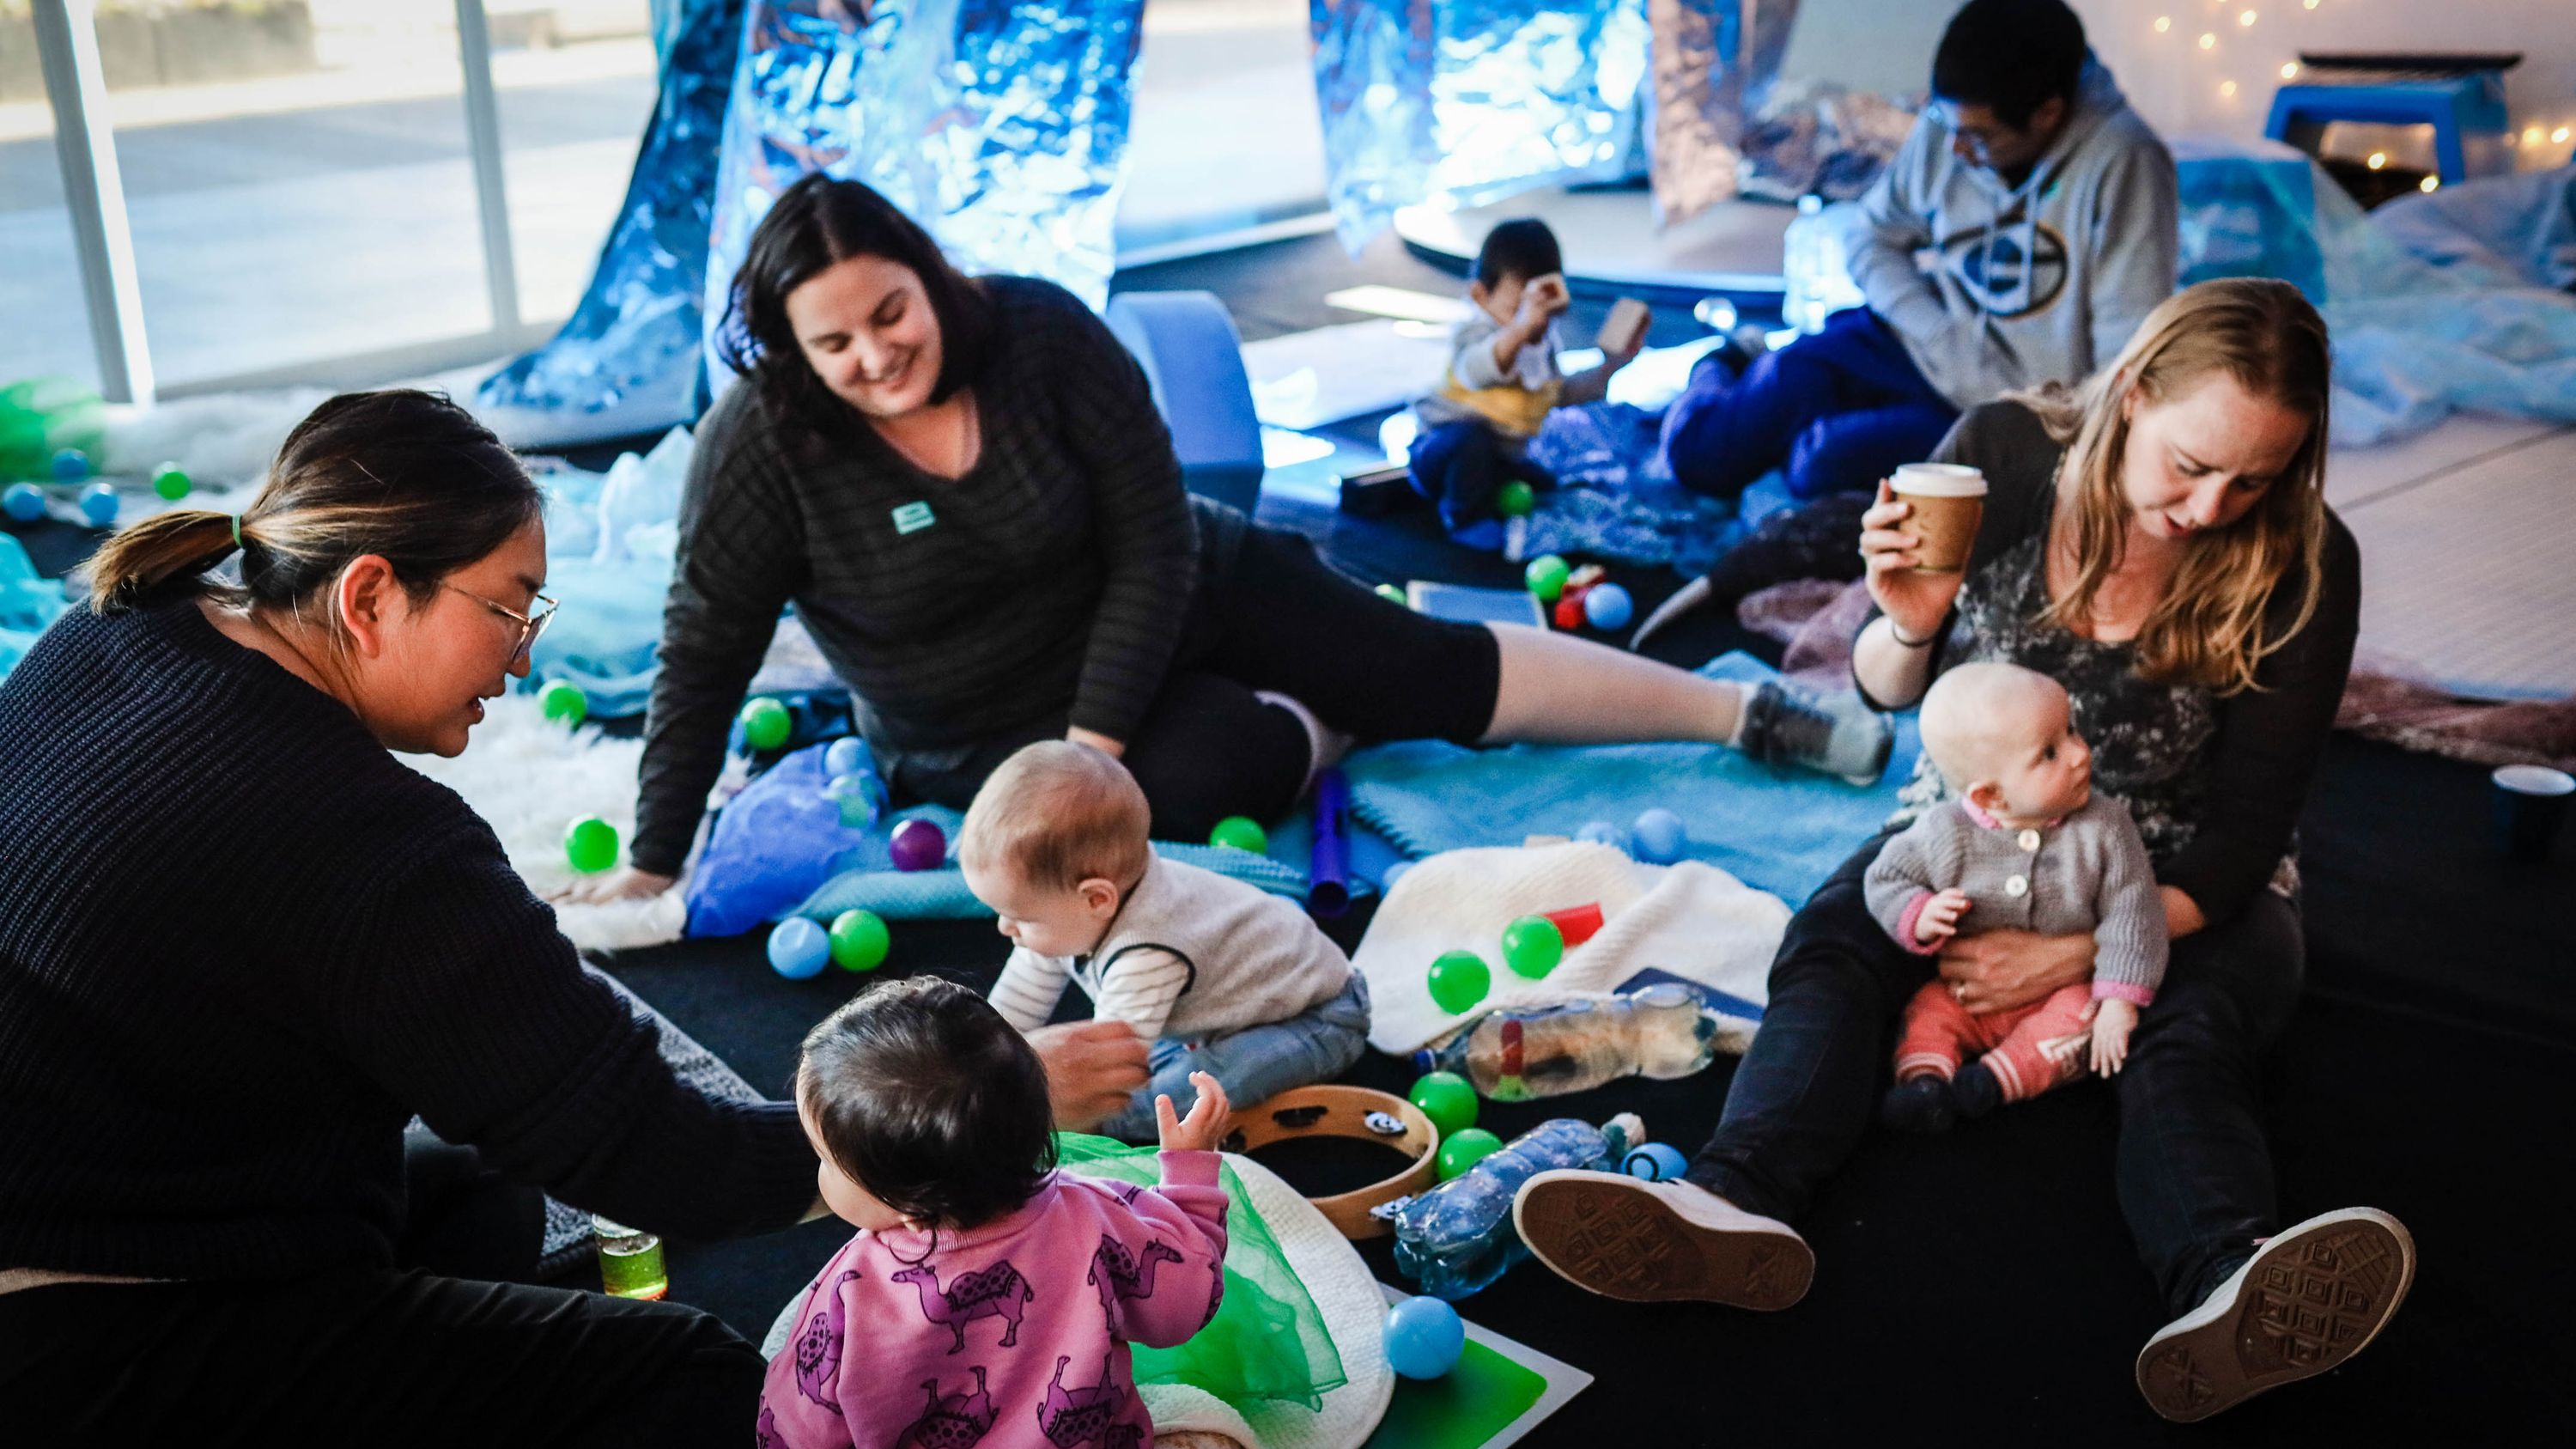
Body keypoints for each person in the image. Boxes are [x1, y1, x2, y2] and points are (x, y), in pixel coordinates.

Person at [1511, 280, 2417, 1424]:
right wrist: (1903, 614)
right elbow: (1892, 696)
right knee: (1835, 942)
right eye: (2192, 465)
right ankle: (1729, 1199)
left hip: (2177, 871)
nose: (2211, 504)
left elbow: (2245, 835)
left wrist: (2082, 955)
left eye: (2255, 478)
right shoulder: (1998, 455)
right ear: (2131, 394)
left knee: (2189, 1031)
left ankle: (2227, 1280)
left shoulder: (2304, 559)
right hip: (1977, 824)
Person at [567, 174, 1893, 914]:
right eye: (834, 341)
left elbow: (1151, 540)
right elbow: (705, 642)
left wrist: (1097, 743)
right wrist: (656, 848)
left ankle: (1745, 712)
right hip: (985, 729)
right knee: (1206, 782)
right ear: (789, 349)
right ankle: (1321, 723)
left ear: (932, 277)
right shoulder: (765, 444)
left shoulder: (1034, 331)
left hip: (1182, 595)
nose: (874, 356)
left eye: (891, 313)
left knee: (1433, 670)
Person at [0, 391, 817, 1443]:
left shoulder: (118, 627)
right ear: (371, 595)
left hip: (88, 1177)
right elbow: (662, 1154)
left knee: (482, 1200)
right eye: (510, 607)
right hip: (83, 1336)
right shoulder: (370, 844)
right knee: (691, 1373)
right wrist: (945, 1132)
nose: (522, 657)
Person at [1636, 0, 2178, 642]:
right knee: (1704, 455)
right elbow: (1871, 236)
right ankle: (1728, 360)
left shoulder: (2127, 164)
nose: (1952, 150)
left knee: (1819, 465)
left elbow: (2122, 363)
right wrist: (1933, 327)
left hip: (2000, 401)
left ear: (2048, 115)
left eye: (1978, 139)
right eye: (1946, 128)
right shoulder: (1954, 123)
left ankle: (1782, 407)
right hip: (1904, 338)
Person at [759, 977, 1229, 1448]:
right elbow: (1184, 1303)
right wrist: (1188, 1185)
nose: (816, 1170)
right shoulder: (1099, 1215)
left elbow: (801, 1426)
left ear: (910, 1206)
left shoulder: (852, 1291)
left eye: (825, 1159)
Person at [963, 741, 1369, 1142]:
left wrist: (1040, 1108)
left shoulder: (1148, 952)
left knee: (1167, 1100)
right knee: (1157, 1060)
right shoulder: (1076, 911)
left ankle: (1109, 1132)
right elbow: (1013, 1006)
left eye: (1021, 917)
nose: (1004, 928)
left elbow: (1113, 1070)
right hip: (1237, 1009)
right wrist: (975, 1063)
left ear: (1097, 898)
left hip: (1321, 1015)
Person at [1865, 662, 2165, 1135]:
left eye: (2071, 731)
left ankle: (1988, 1084)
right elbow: (1885, 878)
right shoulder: (1945, 832)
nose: (2079, 754)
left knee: (2078, 1023)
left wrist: (2119, 1001)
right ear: (1990, 798)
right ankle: (1926, 1085)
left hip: (2064, 992)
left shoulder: (2105, 829)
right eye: (2049, 753)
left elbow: (2134, 913)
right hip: (1970, 993)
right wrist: (1918, 915)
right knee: (1929, 1011)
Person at [1407, 217, 1644, 545]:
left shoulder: (1541, 346)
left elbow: (1560, 395)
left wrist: (1610, 366)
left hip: (1499, 458)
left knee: (1543, 482)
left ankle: (1491, 489)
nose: (1533, 319)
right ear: (1480, 295)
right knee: (1470, 441)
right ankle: (1464, 518)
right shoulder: (1476, 332)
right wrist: (1519, 329)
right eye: (1518, 308)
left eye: (1541, 308)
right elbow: (1476, 371)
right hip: (1438, 456)